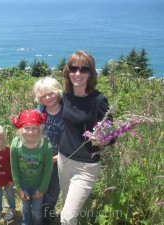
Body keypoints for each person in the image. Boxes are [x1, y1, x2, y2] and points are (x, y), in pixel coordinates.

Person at [58, 50, 115, 225]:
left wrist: (104, 139)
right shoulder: (65, 96)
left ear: (90, 73)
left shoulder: (98, 100)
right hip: (63, 159)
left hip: (86, 166)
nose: (78, 73)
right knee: (68, 209)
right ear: (68, 72)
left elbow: (112, 135)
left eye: (84, 69)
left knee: (67, 217)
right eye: (74, 68)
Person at [10, 109, 53, 225]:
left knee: (37, 212)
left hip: (38, 185)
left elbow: (48, 170)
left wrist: (42, 189)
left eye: (34, 128)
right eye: (27, 128)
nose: (30, 132)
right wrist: (18, 188)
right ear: (20, 129)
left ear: (40, 128)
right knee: (25, 209)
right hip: (23, 185)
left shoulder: (46, 147)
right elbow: (14, 168)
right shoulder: (15, 146)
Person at [33, 77, 65, 223]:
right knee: (39, 184)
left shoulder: (67, 112)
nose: (47, 97)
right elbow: (29, 134)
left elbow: (74, 138)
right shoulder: (38, 112)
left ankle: (48, 209)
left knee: (54, 185)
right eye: (43, 95)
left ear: (58, 91)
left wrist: (61, 156)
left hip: (61, 156)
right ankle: (37, 209)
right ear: (39, 98)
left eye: (50, 93)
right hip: (40, 156)